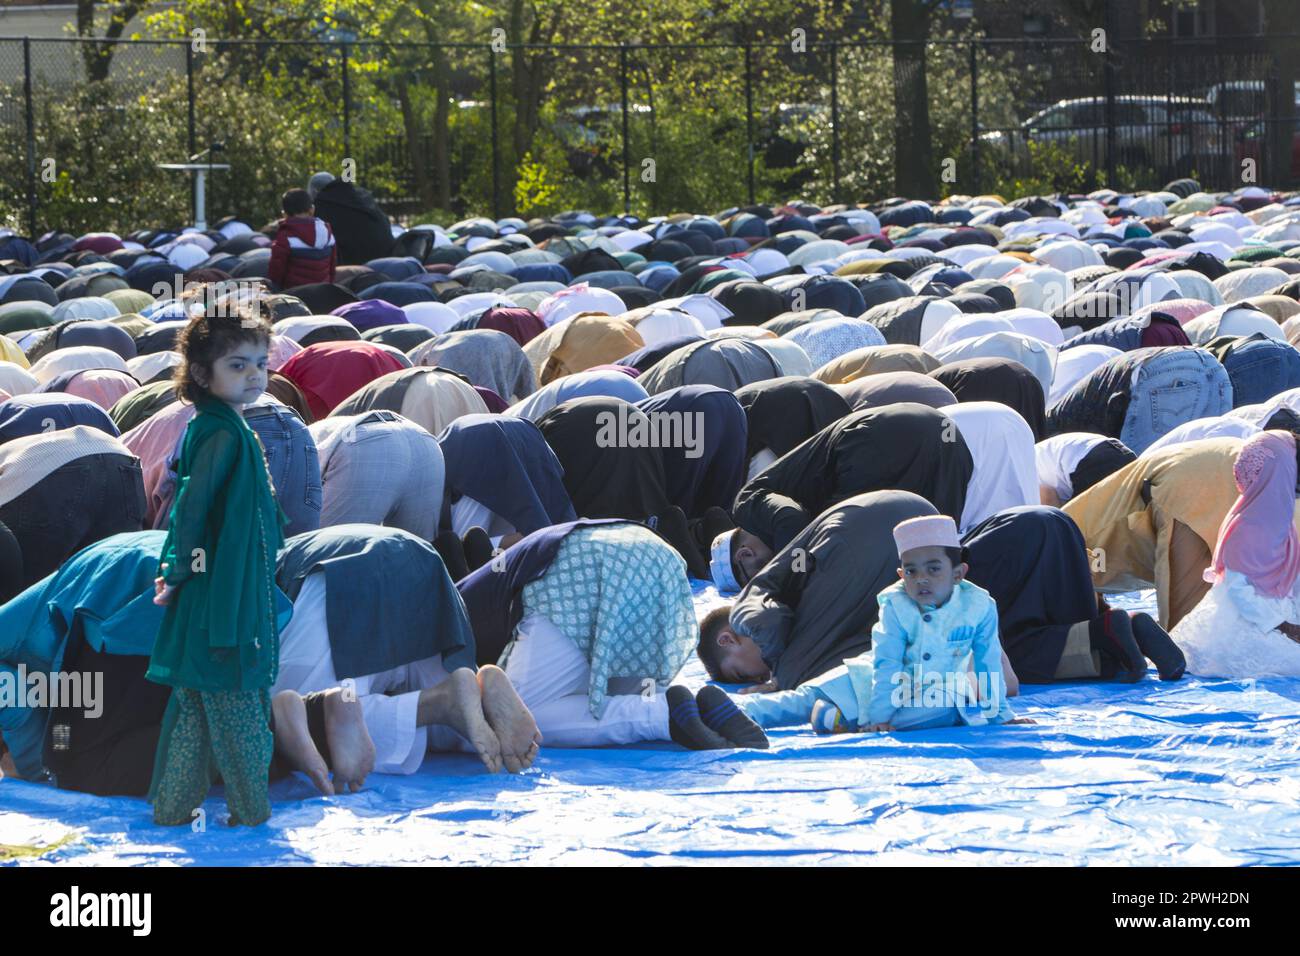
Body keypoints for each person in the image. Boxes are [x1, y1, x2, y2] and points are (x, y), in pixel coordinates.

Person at [146, 307, 287, 827]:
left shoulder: (225, 424)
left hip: (214, 587)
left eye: (260, 363)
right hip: (219, 596)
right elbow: (191, 506)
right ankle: (252, 813)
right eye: (237, 365)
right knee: (238, 703)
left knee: (197, 706)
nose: (254, 375)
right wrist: (178, 569)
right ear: (202, 375)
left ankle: (173, 809)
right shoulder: (221, 432)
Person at [459, 519, 765, 750]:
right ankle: (695, 709)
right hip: (655, 555)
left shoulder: (456, 613)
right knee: (622, 693)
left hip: (582, 571)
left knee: (519, 715)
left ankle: (660, 714)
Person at [725, 514, 1028, 735]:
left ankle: (841, 720)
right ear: (900, 575)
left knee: (957, 707)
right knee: (802, 701)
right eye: (911, 571)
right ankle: (721, 712)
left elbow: (989, 664)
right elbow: (887, 664)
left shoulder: (980, 605)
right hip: (868, 681)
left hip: (925, 698)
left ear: (959, 573)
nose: (921, 579)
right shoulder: (895, 604)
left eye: (933, 569)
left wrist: (1000, 715)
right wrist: (878, 719)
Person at [701, 491, 942, 691]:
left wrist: (781, 678)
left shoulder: (745, 608)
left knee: (800, 673)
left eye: (741, 675)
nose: (758, 678)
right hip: (928, 521)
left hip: (863, 533)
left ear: (727, 639)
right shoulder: (816, 620)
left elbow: (768, 621)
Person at [1171, 430, 1300, 677]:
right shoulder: (1249, 526)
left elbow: (1292, 578)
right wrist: (1282, 626)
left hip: (1280, 616)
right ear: (1280, 476)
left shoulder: (1281, 522)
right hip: (1251, 622)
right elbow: (1236, 588)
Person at [307, 172, 395, 265]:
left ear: (314, 191)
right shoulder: (362, 196)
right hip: (388, 258)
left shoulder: (321, 206)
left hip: (356, 266)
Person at [268, 188, 337, 290]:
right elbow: (332, 268)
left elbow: (276, 273)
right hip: (323, 291)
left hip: (295, 295)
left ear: (284, 214)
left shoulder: (285, 236)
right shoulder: (328, 233)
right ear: (312, 210)